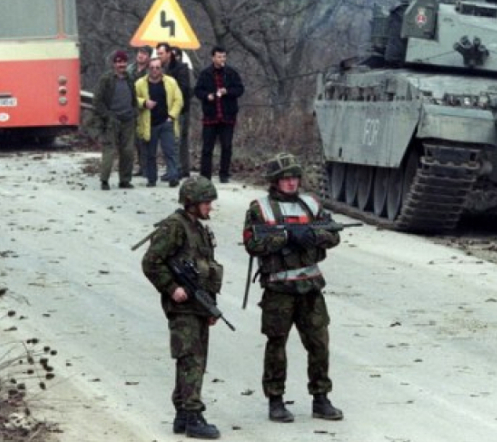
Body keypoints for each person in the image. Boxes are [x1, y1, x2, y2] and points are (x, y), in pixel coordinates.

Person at [242, 153, 343, 423]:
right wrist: (286, 236)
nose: (291, 182)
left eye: (294, 177)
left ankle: (321, 398)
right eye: (285, 178)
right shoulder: (260, 209)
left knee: (319, 343)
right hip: (279, 288)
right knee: (277, 345)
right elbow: (253, 243)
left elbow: (333, 234)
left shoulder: (311, 205)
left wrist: (311, 235)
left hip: (310, 287)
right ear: (275, 182)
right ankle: (276, 400)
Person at [142, 177, 224, 439]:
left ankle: (182, 413)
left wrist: (211, 307)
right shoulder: (174, 227)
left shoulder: (197, 228)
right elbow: (151, 262)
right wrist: (171, 287)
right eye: (206, 202)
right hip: (183, 307)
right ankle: (192, 416)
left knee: (193, 359)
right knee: (191, 358)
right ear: (192, 203)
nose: (210, 207)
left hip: (198, 305)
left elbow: (206, 268)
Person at [194, 46, 244, 183]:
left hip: (227, 115)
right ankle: (205, 175)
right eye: (219, 57)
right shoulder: (205, 74)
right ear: (213, 57)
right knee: (207, 147)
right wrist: (207, 96)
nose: (222, 59)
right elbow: (197, 90)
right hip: (210, 115)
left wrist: (227, 91)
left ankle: (224, 174)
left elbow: (240, 89)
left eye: (224, 57)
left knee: (227, 146)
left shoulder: (231, 73)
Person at [93, 50, 137, 190]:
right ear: (114, 64)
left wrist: (134, 111)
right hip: (112, 121)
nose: (121, 65)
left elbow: (134, 98)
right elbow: (97, 100)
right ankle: (104, 180)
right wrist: (107, 116)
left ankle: (124, 180)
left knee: (128, 151)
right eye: (118, 62)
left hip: (128, 120)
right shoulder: (106, 79)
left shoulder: (130, 78)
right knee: (109, 151)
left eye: (123, 62)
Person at [136, 59, 183, 187]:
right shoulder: (140, 84)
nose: (154, 70)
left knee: (170, 151)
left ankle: (173, 176)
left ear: (161, 68)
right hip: (149, 123)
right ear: (148, 69)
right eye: (152, 68)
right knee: (150, 154)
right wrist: (144, 103)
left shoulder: (170, 82)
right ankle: (151, 179)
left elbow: (178, 100)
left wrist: (171, 116)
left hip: (166, 122)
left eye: (157, 67)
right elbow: (133, 99)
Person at [157, 42, 193, 178]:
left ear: (168, 53)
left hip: (179, 109)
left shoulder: (181, 68)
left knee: (176, 139)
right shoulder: (162, 68)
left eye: (161, 53)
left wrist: (174, 102)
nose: (159, 56)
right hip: (165, 109)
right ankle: (177, 168)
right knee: (172, 139)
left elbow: (184, 89)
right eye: (158, 54)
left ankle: (177, 170)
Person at [129, 46, 153, 178]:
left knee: (146, 138)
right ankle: (141, 166)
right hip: (132, 107)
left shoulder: (151, 70)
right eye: (139, 53)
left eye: (144, 54)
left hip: (146, 106)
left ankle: (147, 167)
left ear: (148, 56)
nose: (141, 56)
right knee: (136, 139)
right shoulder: (130, 69)